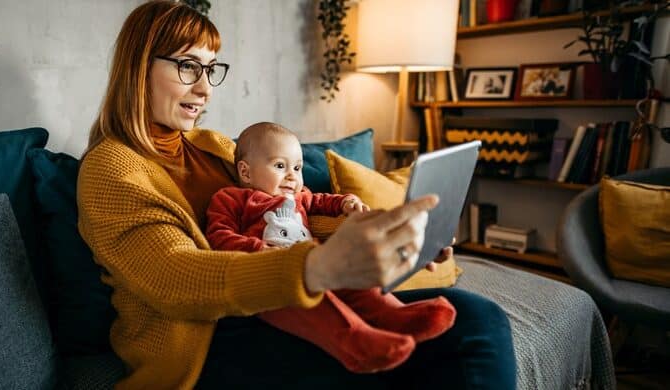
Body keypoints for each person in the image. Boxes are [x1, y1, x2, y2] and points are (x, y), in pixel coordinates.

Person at [77, 1, 517, 388]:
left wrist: (388, 236)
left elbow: (288, 209)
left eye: (211, 69)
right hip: (207, 345)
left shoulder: (213, 145)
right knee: (468, 332)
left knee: (473, 317)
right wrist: (315, 266)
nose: (206, 88)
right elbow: (176, 277)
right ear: (139, 67)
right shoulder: (110, 169)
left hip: (282, 303)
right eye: (188, 66)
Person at [205, 122, 457, 374]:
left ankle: (397, 315)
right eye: (280, 166)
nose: (292, 176)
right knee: (317, 307)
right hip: (270, 282)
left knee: (355, 281)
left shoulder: (300, 195)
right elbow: (218, 237)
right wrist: (258, 248)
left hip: (315, 263)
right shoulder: (230, 198)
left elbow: (322, 201)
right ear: (246, 173)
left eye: (297, 168)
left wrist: (346, 203)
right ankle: (355, 342)